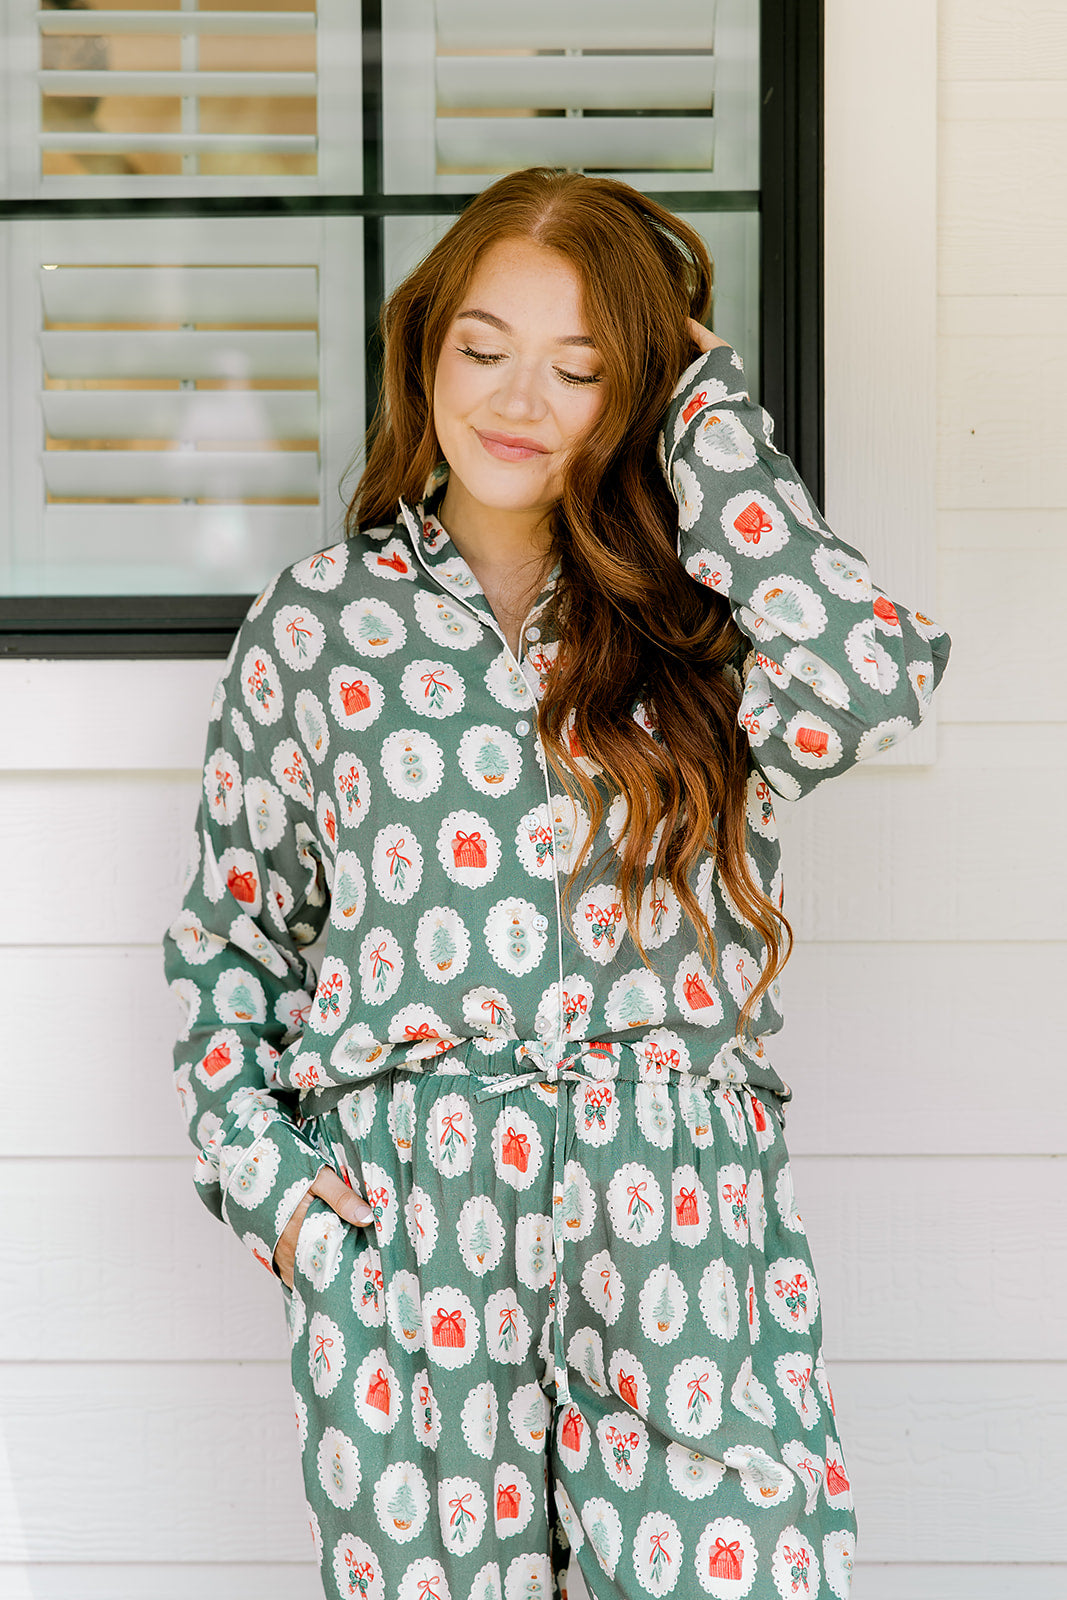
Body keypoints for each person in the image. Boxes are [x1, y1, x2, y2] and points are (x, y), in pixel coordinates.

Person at [163, 167, 950, 1600]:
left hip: (680, 1218)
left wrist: (709, 423)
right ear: (425, 352)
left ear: (633, 393)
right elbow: (233, 949)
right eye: (484, 349)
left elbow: (872, 664)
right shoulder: (319, 626)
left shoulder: (702, 635)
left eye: (581, 368)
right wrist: (281, 1201)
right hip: (412, 1228)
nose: (518, 397)